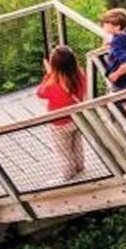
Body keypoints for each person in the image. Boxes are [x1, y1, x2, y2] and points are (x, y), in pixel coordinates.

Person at [36, 44, 87, 180]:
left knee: (63, 151)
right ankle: (79, 167)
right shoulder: (80, 74)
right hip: (77, 118)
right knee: (77, 145)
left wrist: (49, 74)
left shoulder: (52, 83)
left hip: (59, 123)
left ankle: (68, 174)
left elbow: (40, 93)